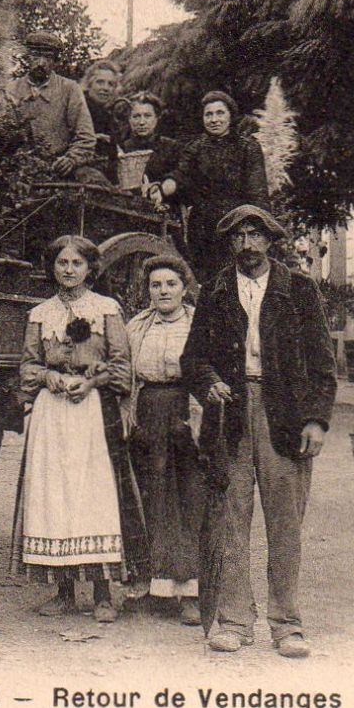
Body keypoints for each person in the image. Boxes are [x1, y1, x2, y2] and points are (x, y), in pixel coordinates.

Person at [181, 205, 334, 659]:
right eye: (238, 238)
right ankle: (233, 620)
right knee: (231, 519)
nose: (247, 245)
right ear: (230, 245)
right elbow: (193, 358)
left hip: (283, 413)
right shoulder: (216, 291)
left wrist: (316, 419)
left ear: (271, 241)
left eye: (255, 236)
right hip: (230, 415)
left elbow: (323, 365)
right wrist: (210, 382)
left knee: (285, 522)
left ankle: (286, 624)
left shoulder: (300, 290)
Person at [12, 235, 145, 622]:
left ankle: (103, 593)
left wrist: (91, 382)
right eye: (62, 263)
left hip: (93, 413)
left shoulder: (106, 310)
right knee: (55, 496)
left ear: (90, 269)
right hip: (52, 415)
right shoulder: (40, 314)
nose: (69, 270)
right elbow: (28, 365)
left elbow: (122, 366)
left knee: (95, 497)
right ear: (52, 268)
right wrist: (48, 377)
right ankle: (65, 591)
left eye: (77, 263)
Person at [125, 255, 206, 625]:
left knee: (188, 497)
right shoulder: (137, 326)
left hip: (187, 410)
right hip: (149, 410)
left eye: (171, 284)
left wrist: (197, 419)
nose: (163, 291)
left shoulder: (199, 324)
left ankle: (190, 590)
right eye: (156, 285)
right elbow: (126, 374)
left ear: (184, 288)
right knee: (153, 496)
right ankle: (155, 586)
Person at [161, 90, 269, 283]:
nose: (214, 119)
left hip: (238, 224)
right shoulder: (196, 147)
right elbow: (181, 173)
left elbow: (257, 190)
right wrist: (167, 185)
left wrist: (254, 230)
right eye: (208, 114)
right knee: (208, 282)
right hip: (203, 227)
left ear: (230, 115)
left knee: (239, 279)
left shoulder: (247, 146)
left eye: (220, 113)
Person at [2, 32, 110, 186]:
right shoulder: (11, 89)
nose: (41, 63)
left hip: (60, 167)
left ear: (55, 61)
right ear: (26, 57)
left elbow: (86, 137)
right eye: (35, 55)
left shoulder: (69, 89)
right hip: (20, 169)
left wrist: (71, 159)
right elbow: (1, 136)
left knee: (94, 184)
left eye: (48, 57)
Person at [121, 92, 182, 203]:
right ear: (129, 119)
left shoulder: (171, 147)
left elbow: (178, 177)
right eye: (136, 116)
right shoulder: (123, 148)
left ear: (156, 118)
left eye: (147, 116)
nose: (142, 122)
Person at [82, 61, 122, 185]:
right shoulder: (78, 108)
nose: (105, 88)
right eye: (100, 82)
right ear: (88, 85)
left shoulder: (108, 116)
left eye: (111, 84)